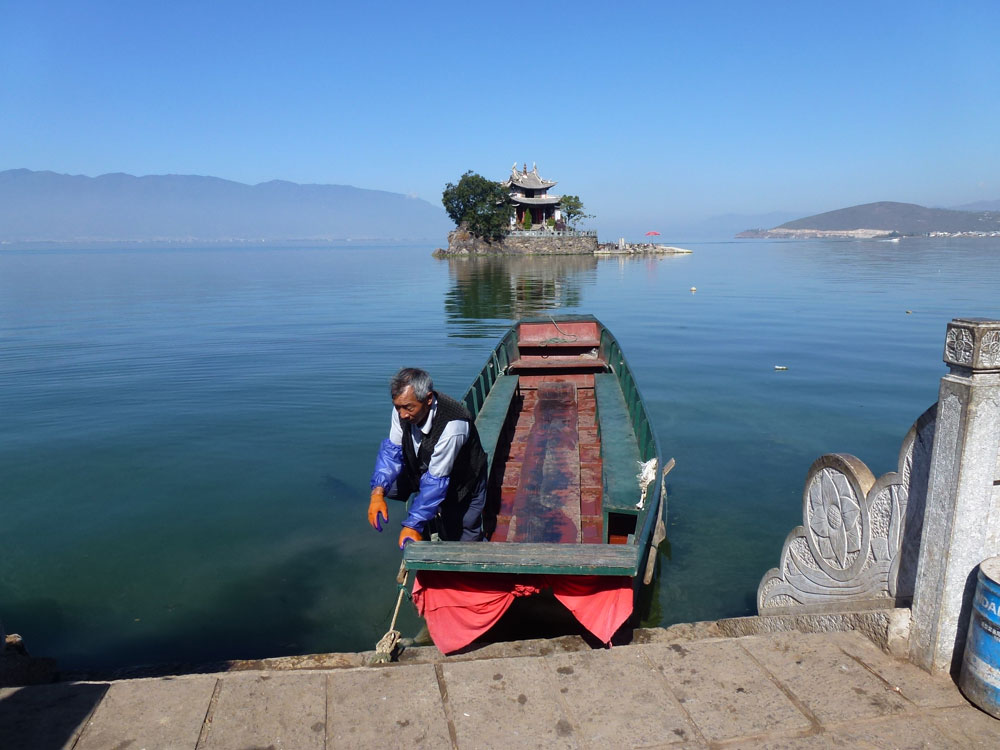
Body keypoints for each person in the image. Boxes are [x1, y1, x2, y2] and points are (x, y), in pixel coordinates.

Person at [367, 368, 488, 550]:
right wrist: (377, 493)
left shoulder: (453, 426)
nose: (402, 415)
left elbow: (436, 481)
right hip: (426, 468)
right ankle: (425, 515)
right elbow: (392, 452)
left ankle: (472, 567)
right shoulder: (402, 408)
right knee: (390, 487)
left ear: (428, 399)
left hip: (464, 480)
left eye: (409, 407)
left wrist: (412, 525)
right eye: (397, 407)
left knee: (465, 531)